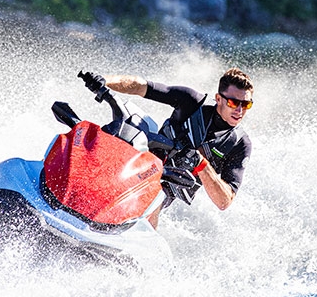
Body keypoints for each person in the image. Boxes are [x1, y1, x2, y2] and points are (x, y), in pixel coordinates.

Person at [87, 68, 253, 226]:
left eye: (246, 105)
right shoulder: (191, 102)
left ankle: (137, 248)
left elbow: (224, 201)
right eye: (233, 102)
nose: (239, 110)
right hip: (139, 163)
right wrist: (105, 81)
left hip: (161, 191)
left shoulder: (239, 144)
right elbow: (141, 86)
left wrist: (201, 164)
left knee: (153, 198)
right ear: (218, 99)